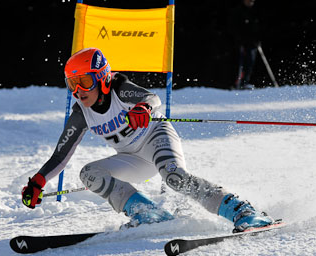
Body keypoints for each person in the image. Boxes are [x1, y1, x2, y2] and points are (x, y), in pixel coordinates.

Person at [21, 48, 273, 232]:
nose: (78, 91)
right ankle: (148, 213)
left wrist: (142, 109)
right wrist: (38, 182)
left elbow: (151, 98)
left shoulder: (119, 88)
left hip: (156, 136)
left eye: (84, 82)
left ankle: (241, 210)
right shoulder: (81, 114)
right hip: (132, 159)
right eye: (71, 84)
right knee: (89, 174)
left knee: (175, 178)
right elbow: (60, 154)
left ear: (101, 78)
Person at [230, 0, 261, 89]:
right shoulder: (239, 11)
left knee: (250, 63)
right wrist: (240, 40)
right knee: (241, 64)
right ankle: (238, 83)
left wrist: (257, 39)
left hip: (252, 43)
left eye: (252, 1)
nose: (251, 3)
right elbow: (235, 28)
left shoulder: (254, 11)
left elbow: (256, 28)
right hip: (243, 43)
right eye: (249, 1)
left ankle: (245, 82)